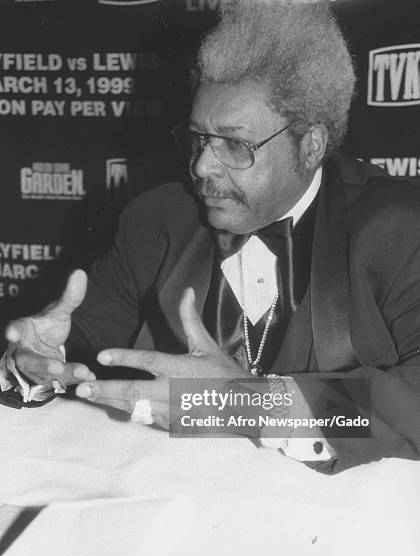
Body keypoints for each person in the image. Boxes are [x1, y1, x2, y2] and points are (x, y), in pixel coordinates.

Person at [3, 0, 420, 474]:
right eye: (199, 138)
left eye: (235, 144)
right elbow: (72, 348)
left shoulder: (400, 228)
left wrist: (247, 404)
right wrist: (31, 365)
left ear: (310, 145)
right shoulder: (157, 219)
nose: (202, 165)